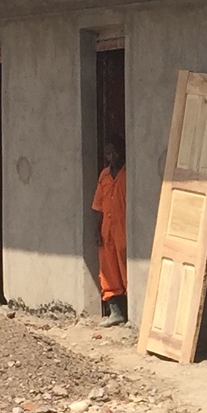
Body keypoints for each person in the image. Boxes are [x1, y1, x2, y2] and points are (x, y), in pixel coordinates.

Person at [91, 137, 128, 326]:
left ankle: (131, 311)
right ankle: (116, 312)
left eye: (114, 152)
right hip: (108, 229)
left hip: (124, 227)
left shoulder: (127, 173)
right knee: (108, 269)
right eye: (108, 154)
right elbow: (98, 206)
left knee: (125, 266)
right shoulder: (104, 175)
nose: (111, 157)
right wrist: (97, 231)